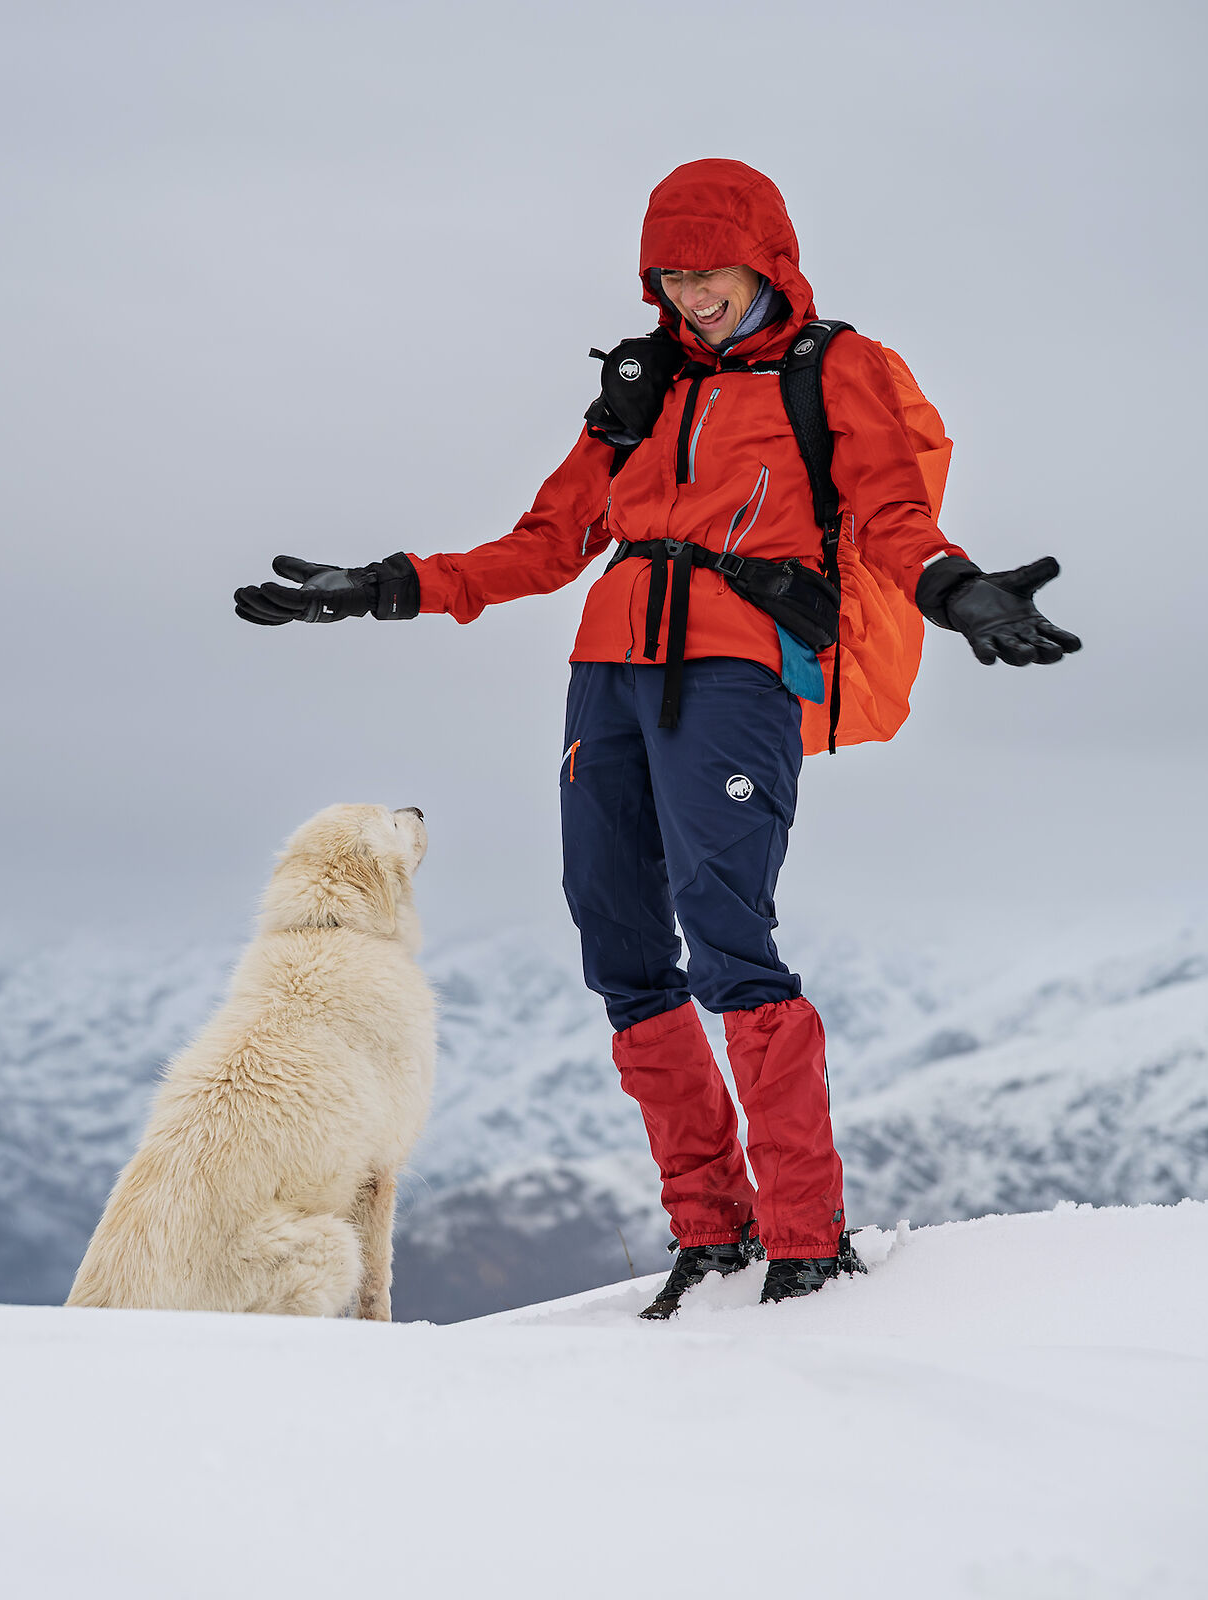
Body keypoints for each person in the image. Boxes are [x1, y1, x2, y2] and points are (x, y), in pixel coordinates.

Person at [233, 158, 1079, 1319]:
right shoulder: (641, 389)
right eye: (669, 277)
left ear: (765, 260)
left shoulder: (834, 368)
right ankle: (710, 1235)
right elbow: (546, 540)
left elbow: (889, 512)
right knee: (620, 945)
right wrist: (385, 586)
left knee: (730, 937)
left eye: (709, 271)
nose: (690, 296)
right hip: (609, 673)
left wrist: (960, 592)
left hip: (738, 671)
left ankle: (804, 1240)